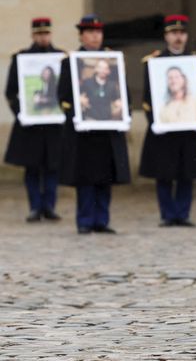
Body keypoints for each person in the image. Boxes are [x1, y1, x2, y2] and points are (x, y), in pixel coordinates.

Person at [58, 15, 131, 234]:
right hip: (84, 131)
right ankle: (85, 220)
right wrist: (77, 109)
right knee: (85, 177)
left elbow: (124, 93)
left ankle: (102, 220)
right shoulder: (70, 62)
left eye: (98, 32)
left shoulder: (113, 61)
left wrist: (122, 110)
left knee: (105, 177)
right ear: (81, 35)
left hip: (108, 130)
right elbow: (62, 95)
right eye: (90, 32)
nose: (95, 36)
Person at [140, 15, 196, 227]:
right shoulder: (153, 62)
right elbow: (147, 97)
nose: (178, 37)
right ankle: (168, 214)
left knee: (186, 173)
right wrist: (155, 121)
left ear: (186, 36)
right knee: (164, 174)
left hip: (189, 126)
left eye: (181, 33)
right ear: (166, 36)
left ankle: (183, 213)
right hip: (163, 127)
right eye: (173, 33)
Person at [4, 18, 64, 222]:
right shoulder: (21, 58)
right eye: (39, 34)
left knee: (53, 167)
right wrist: (22, 113)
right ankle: (35, 206)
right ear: (33, 35)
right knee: (32, 168)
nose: (43, 37)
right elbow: (11, 92)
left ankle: (49, 206)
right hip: (30, 125)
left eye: (46, 34)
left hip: (54, 124)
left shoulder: (61, 58)